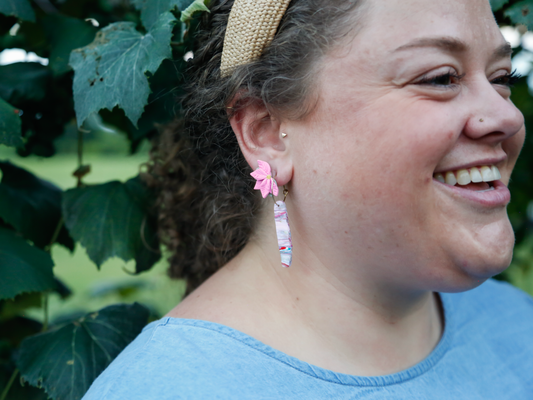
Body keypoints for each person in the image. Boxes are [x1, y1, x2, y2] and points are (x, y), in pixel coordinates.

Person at [83, 0, 533, 398]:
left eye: (500, 77)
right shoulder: (167, 389)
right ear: (266, 134)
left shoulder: (515, 323)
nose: (507, 115)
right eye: (440, 78)